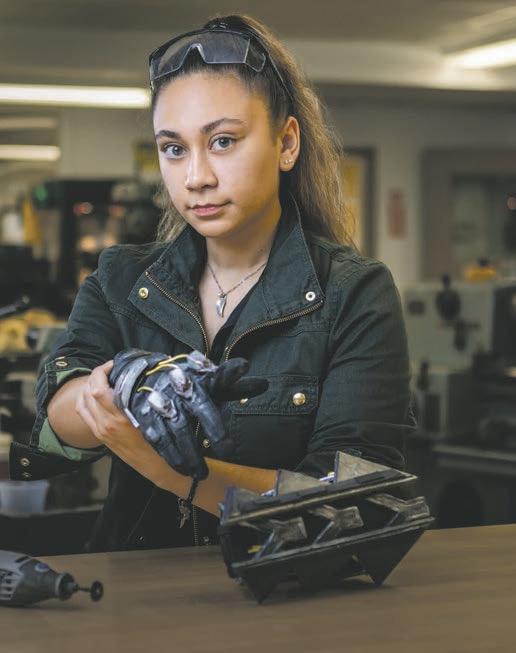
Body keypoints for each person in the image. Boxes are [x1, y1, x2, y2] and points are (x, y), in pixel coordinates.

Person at [10, 14, 413, 552]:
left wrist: (175, 472)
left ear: (286, 143)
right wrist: (126, 387)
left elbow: (353, 504)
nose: (196, 177)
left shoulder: (354, 294)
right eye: (173, 149)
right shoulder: (121, 278)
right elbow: (56, 423)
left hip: (284, 593)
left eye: (223, 141)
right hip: (136, 589)